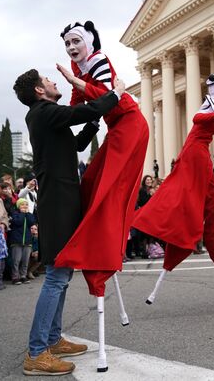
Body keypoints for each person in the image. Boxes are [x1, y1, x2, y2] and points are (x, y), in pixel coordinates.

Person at [13, 63, 123, 375]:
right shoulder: (43, 112)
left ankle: (52, 338)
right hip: (56, 203)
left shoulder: (46, 117)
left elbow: (75, 143)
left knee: (61, 275)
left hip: (61, 201)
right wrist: (115, 94)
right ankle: (37, 352)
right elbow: (80, 112)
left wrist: (96, 121)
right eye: (47, 80)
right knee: (57, 276)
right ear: (39, 90)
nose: (52, 81)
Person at [132, 72, 214, 309]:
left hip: (202, 156)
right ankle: (168, 226)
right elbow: (198, 119)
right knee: (191, 202)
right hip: (194, 154)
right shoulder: (209, 105)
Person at [54, 21, 149, 295]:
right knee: (91, 181)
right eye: (67, 44)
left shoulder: (98, 61)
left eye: (76, 42)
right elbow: (78, 97)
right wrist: (66, 118)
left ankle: (105, 253)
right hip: (116, 126)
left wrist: (78, 83)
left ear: (89, 42)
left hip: (130, 121)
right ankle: (91, 246)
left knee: (107, 189)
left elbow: (110, 97)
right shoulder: (77, 68)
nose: (71, 48)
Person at [8, 199, 36, 285]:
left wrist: (27, 214)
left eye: (26, 205)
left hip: (27, 241)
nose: (24, 206)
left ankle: (23, 275)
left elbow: (32, 222)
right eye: (22, 205)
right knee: (16, 260)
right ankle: (15, 277)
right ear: (18, 206)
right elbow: (18, 222)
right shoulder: (15, 214)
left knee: (25, 260)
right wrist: (23, 213)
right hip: (17, 241)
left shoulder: (29, 215)